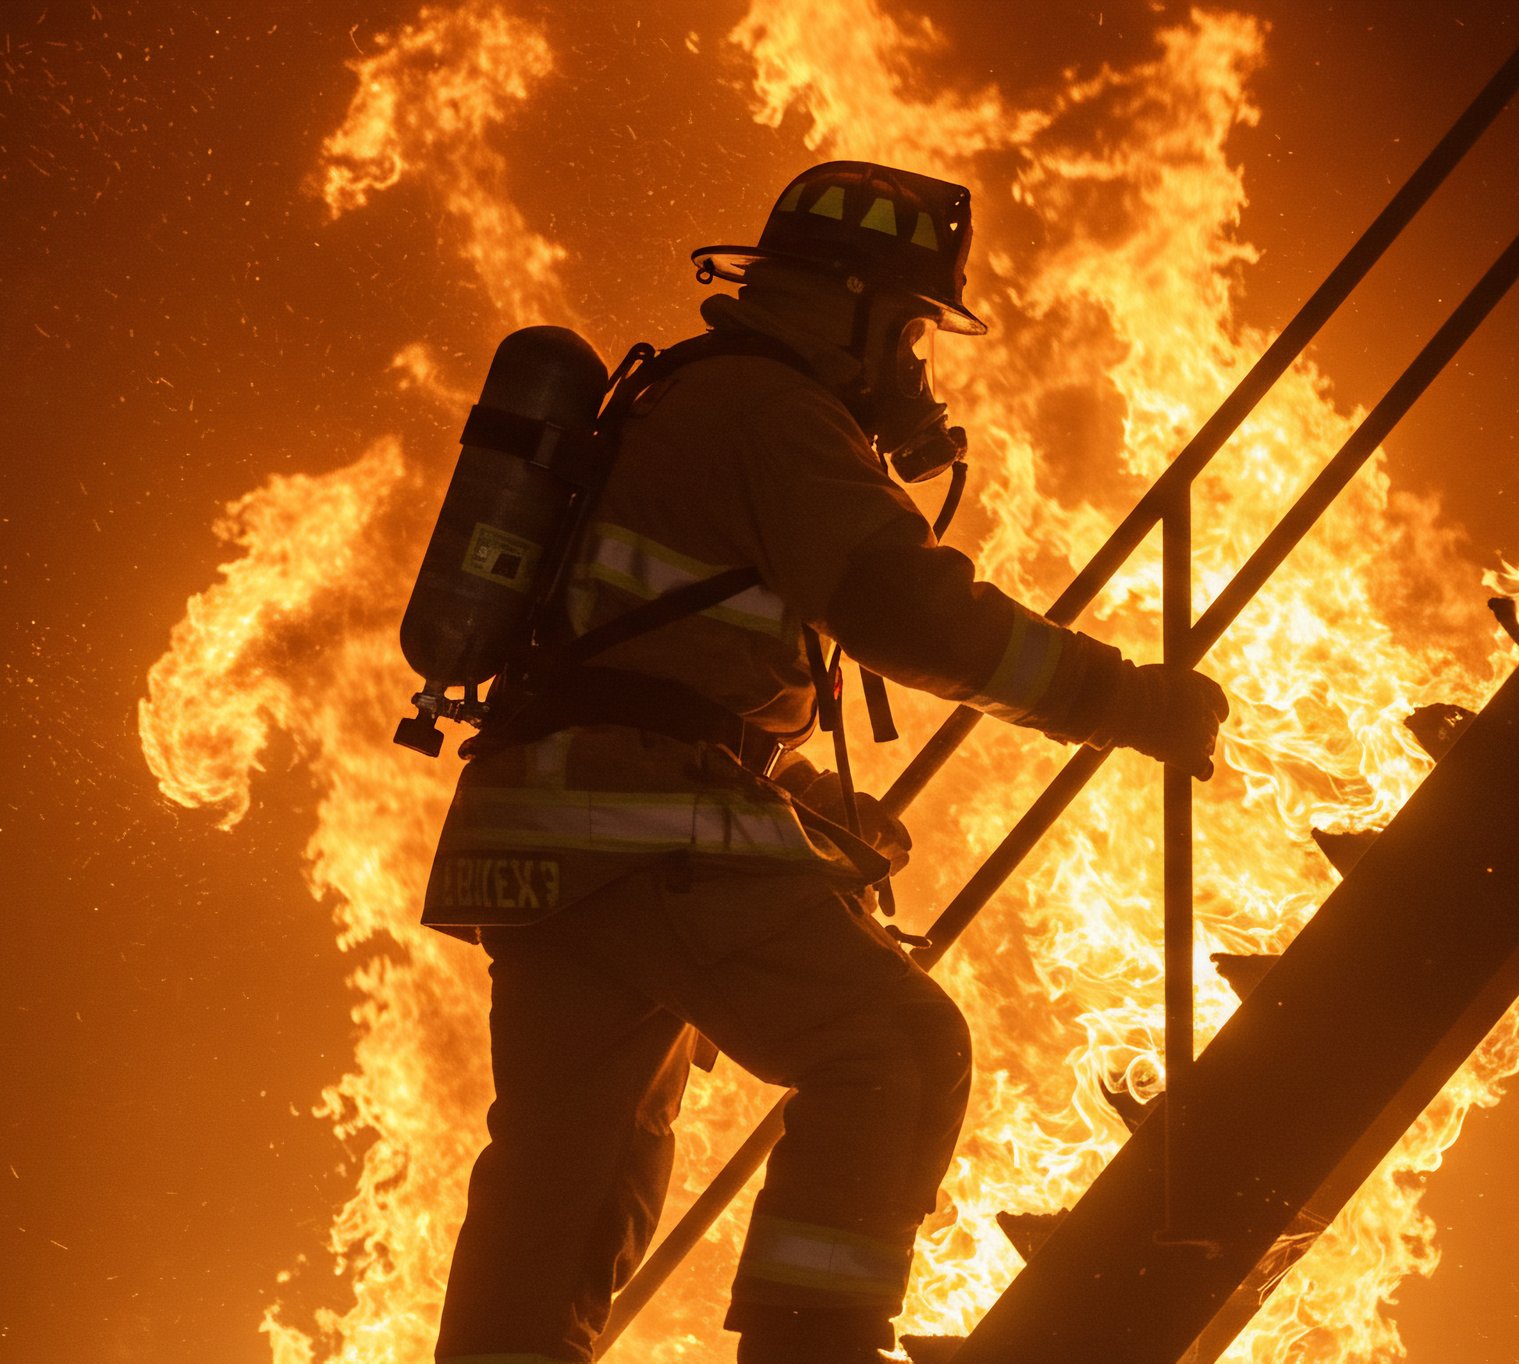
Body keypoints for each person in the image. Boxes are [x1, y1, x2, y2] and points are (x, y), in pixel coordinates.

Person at [421, 161, 1229, 1364]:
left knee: (565, 1181)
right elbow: (909, 612)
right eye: (907, 326)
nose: (914, 364)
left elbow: (651, 660)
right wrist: (1117, 697)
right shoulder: (771, 411)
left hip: (551, 822)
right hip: (637, 822)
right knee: (889, 1050)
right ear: (844, 299)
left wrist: (787, 796)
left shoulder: (695, 399)